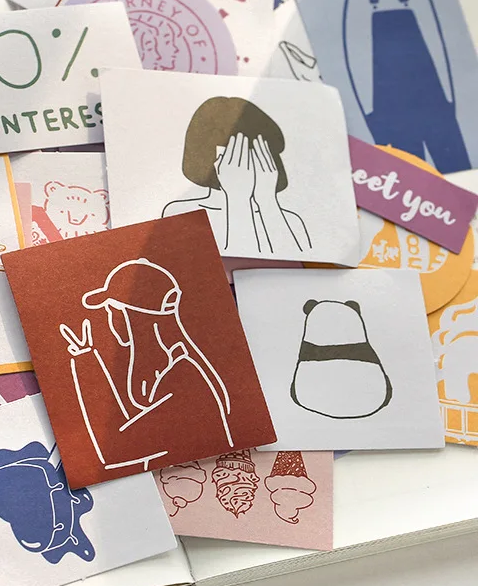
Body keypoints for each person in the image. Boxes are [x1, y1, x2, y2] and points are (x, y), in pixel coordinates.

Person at [60, 259, 233, 472]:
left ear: (126, 316)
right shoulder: (178, 371)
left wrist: (86, 365)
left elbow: (113, 448)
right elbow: (131, 430)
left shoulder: (185, 379)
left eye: (111, 310)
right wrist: (87, 358)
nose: (109, 319)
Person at [335, 0, 470, 172]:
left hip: (433, 98)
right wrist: (368, 111)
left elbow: (436, 45)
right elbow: (355, 56)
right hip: (388, 107)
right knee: (408, 175)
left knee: (457, 166)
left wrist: (449, 97)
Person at [162, 96, 311, 254]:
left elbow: (292, 258)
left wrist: (267, 199)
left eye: (254, 155)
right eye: (234, 156)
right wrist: (237, 198)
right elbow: (226, 262)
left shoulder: (290, 221)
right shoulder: (182, 213)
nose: (243, 166)